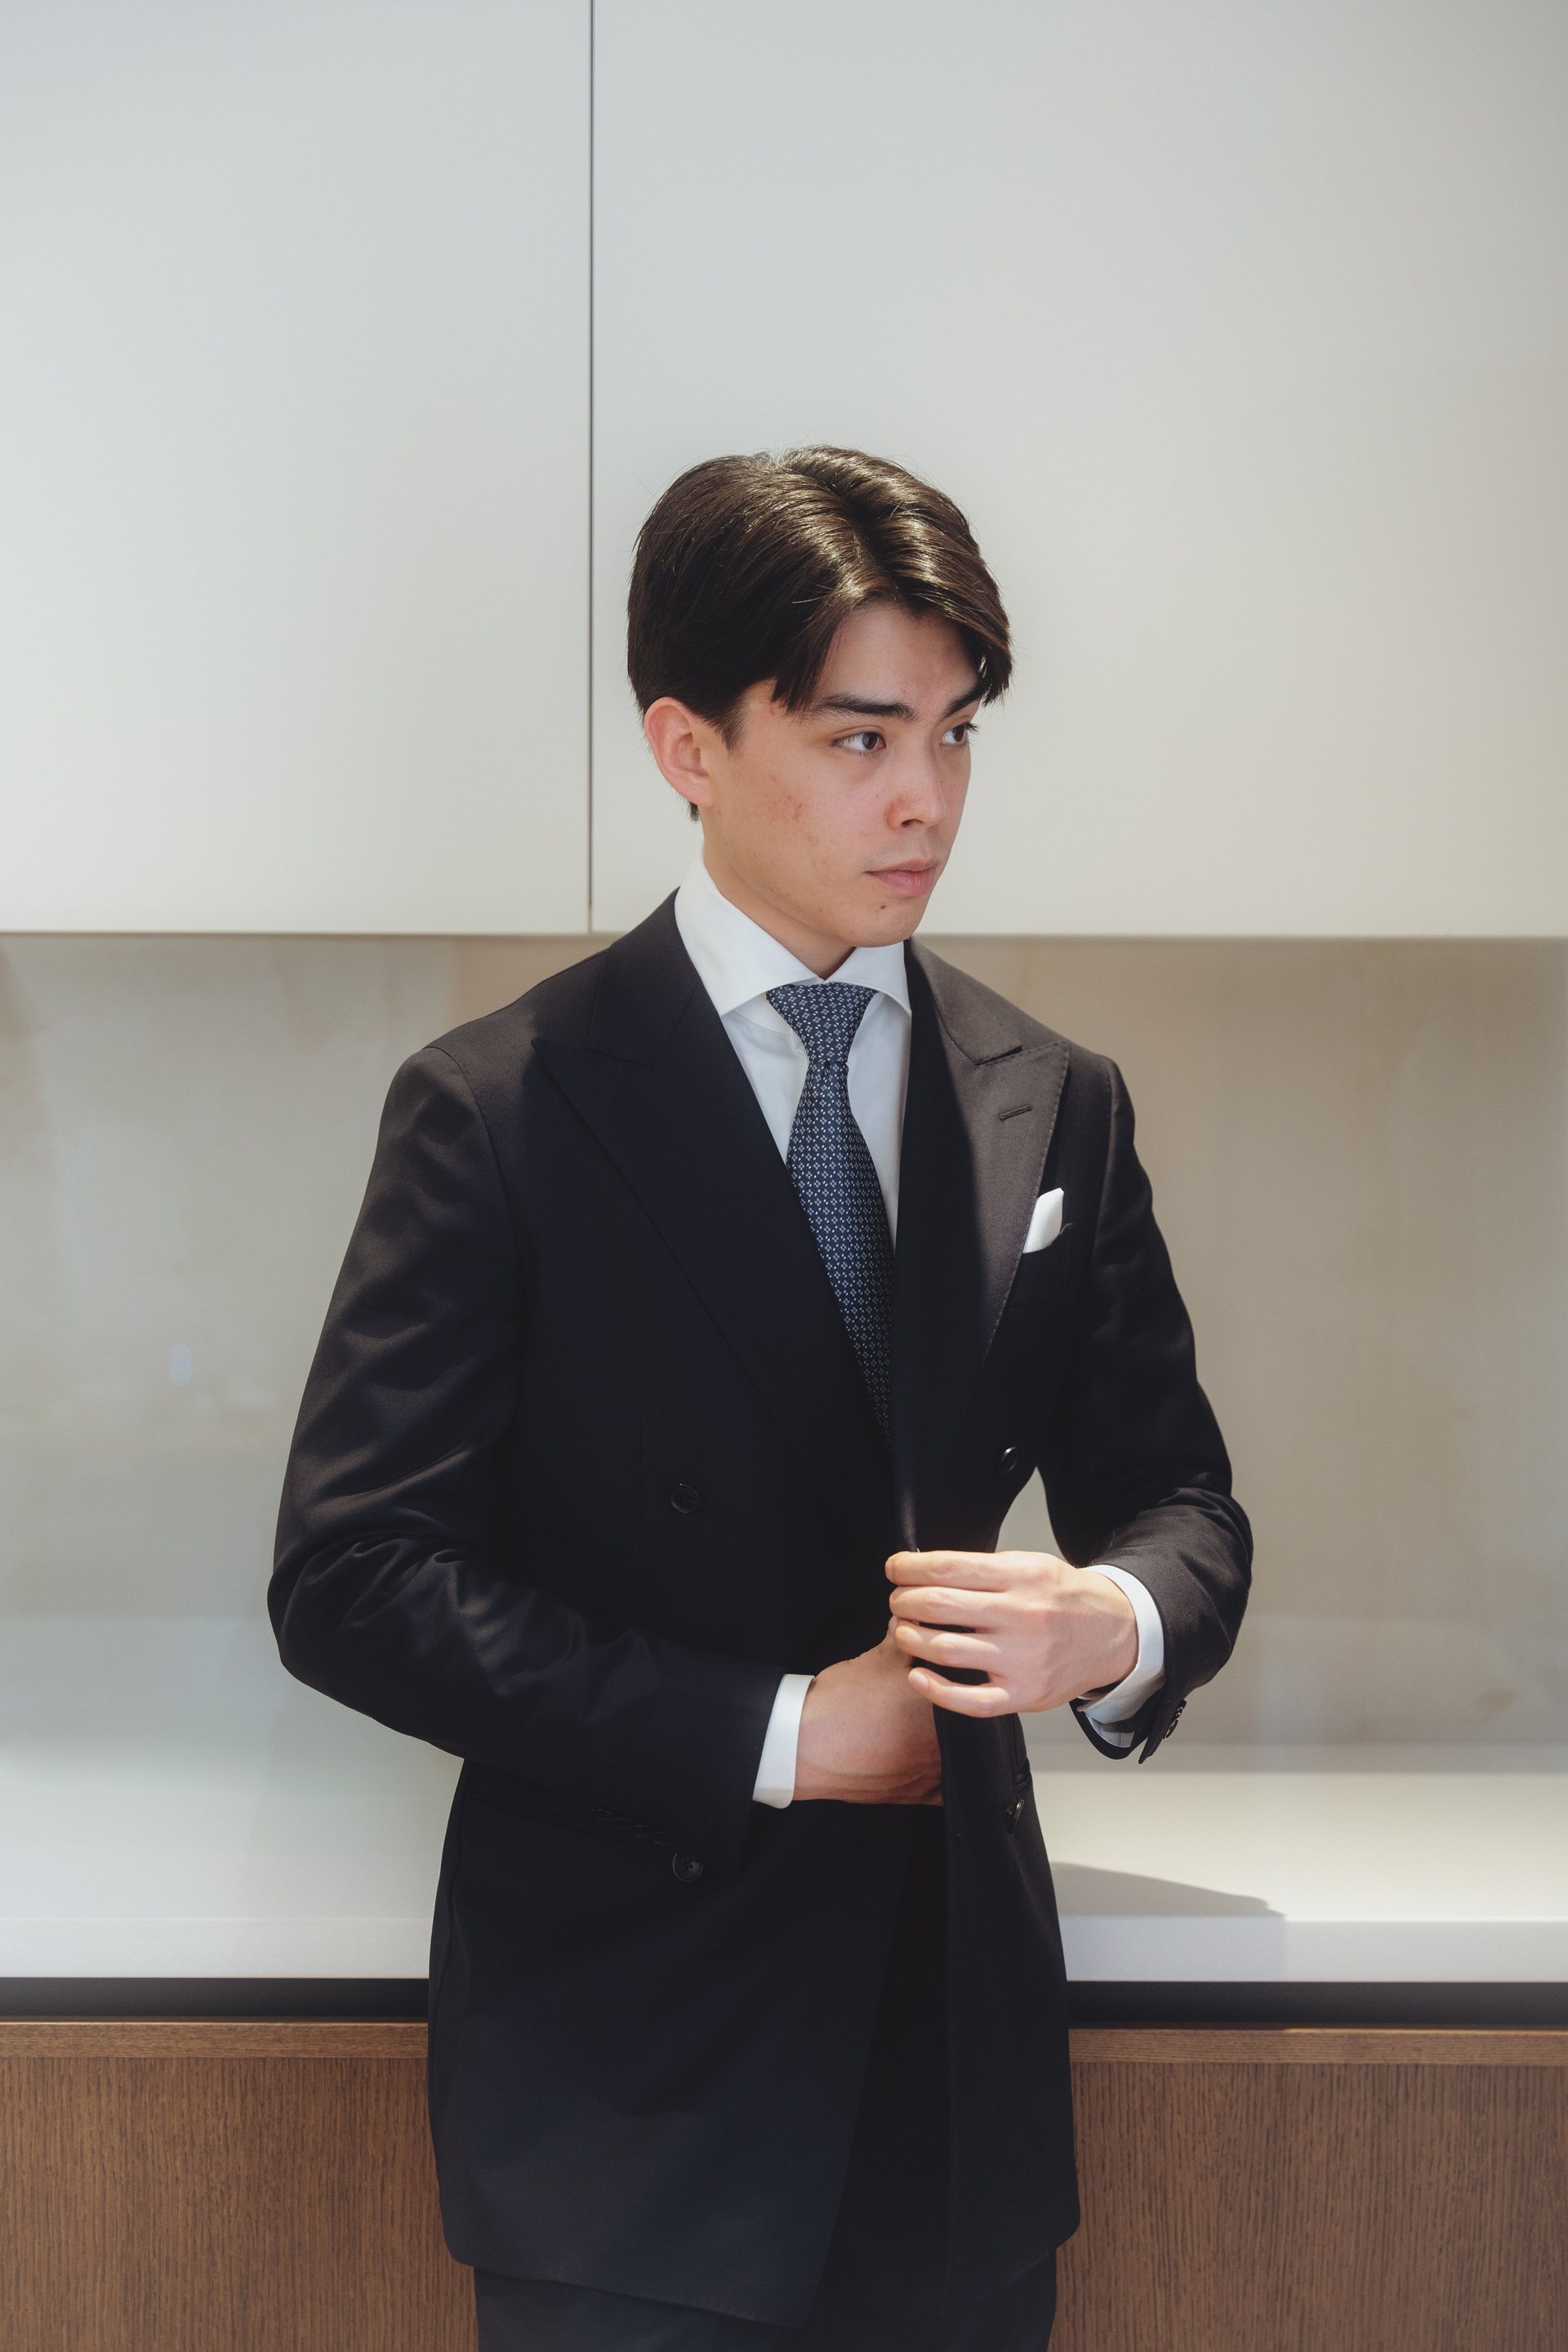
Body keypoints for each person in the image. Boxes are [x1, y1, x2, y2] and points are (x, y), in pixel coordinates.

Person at [270, 446, 1250, 2351]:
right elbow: (354, 1578)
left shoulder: (1057, 1098)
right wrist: (791, 1733)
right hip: (630, 2080)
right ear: (689, 747)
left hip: (951, 2069)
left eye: (955, 737)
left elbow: (1183, 1504)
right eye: (861, 738)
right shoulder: (499, 1107)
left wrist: (1109, 1626)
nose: (926, 799)